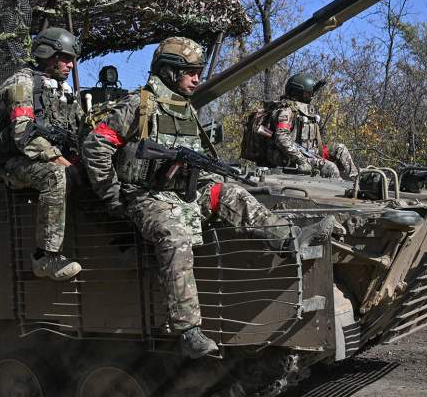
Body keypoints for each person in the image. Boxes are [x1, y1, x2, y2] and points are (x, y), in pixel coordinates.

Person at [82, 37, 334, 359]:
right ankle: (188, 331)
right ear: (170, 72)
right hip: (144, 195)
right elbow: (96, 146)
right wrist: (112, 195)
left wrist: (215, 178)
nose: (197, 79)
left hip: (183, 190)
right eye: (191, 72)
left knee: (232, 194)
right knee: (173, 236)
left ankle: (288, 239)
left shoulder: (185, 108)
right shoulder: (138, 105)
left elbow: (198, 157)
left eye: (199, 71)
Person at [0, 27, 84, 282]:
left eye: (71, 59)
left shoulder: (61, 90)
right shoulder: (22, 84)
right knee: (56, 176)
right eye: (65, 58)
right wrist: (61, 160)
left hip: (44, 156)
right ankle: (46, 257)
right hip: (14, 162)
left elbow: (79, 129)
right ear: (49, 55)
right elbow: (24, 135)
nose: (70, 65)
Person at [243, 72, 358, 179]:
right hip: (290, 158)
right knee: (330, 168)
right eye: (308, 93)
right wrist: (301, 160)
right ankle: (340, 196)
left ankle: (356, 183)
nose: (312, 95)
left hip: (309, 154)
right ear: (296, 92)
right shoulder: (287, 111)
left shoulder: (304, 110)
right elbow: (281, 138)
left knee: (340, 149)